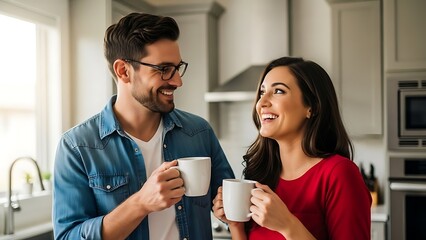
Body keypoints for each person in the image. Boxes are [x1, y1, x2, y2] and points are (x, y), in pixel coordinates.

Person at [53, 12, 234, 240]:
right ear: (124, 71)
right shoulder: (77, 147)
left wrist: (230, 210)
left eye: (177, 68)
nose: (177, 81)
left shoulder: (199, 132)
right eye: (164, 69)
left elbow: (229, 205)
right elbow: (67, 236)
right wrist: (140, 204)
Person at [212, 56, 372, 240]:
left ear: (311, 107)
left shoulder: (339, 174)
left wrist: (287, 225)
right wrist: (236, 225)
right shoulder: (260, 176)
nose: (261, 103)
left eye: (278, 91)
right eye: (262, 93)